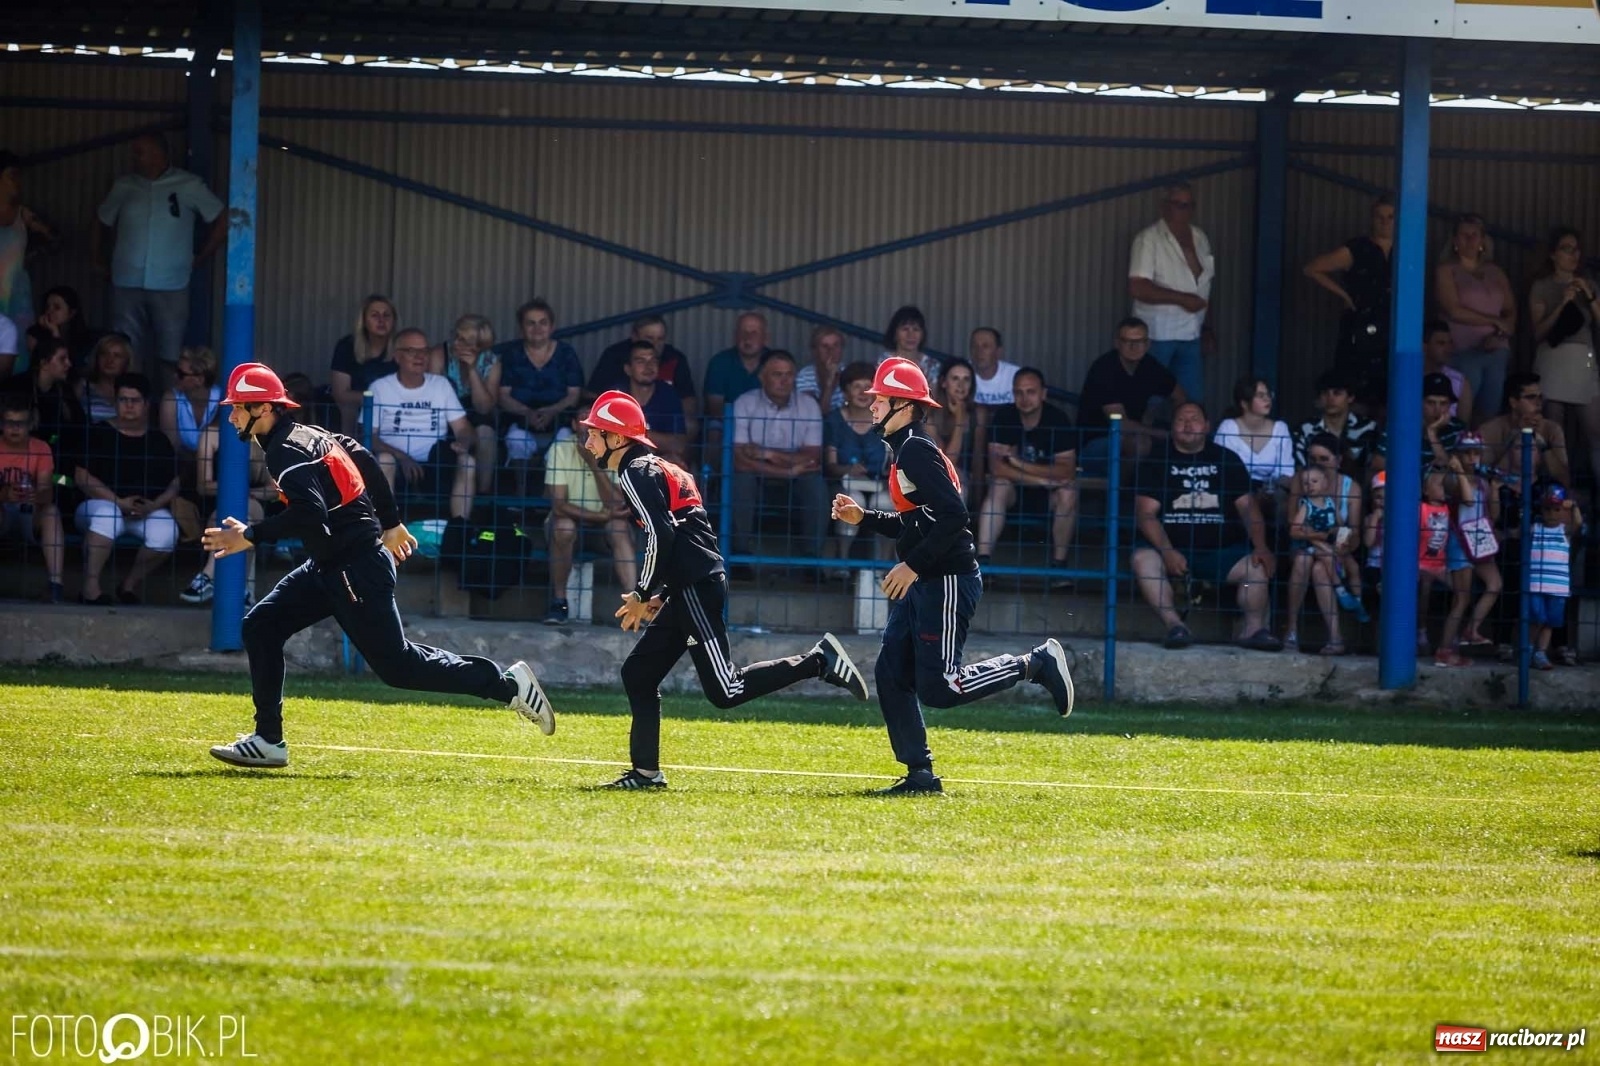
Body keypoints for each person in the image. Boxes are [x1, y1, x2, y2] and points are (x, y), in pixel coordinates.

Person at [201, 362, 556, 769]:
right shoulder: (308, 434)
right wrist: (391, 522)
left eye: (238, 407)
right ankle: (268, 740)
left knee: (399, 667)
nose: (231, 415)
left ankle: (508, 685)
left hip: (354, 570)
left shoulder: (284, 451)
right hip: (330, 565)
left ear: (264, 409)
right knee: (260, 626)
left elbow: (309, 515)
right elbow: (362, 456)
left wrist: (249, 536)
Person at [579, 389, 869, 790]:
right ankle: (645, 773)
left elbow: (662, 536)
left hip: (697, 586)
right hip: (690, 585)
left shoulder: (635, 472)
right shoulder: (653, 467)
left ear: (618, 438)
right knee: (639, 673)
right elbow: (685, 535)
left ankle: (819, 661)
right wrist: (665, 592)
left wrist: (644, 592)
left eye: (596, 431)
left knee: (726, 690)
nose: (588, 440)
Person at [830, 358, 1073, 793]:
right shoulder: (904, 449)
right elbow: (918, 523)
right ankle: (919, 774)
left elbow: (955, 516)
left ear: (903, 406)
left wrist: (912, 565)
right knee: (890, 672)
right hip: (927, 580)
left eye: (879, 399)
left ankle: (1034, 664)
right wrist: (863, 516)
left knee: (942, 688)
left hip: (946, 581)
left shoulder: (915, 450)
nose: (870, 406)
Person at [1130, 401, 1280, 651]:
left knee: (1256, 567)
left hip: (1220, 551)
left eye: (1195, 419)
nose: (1188, 425)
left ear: (1207, 426)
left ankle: (1253, 629)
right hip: (1170, 550)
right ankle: (1175, 626)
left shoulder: (1225, 458)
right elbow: (1145, 514)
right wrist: (1167, 552)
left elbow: (1248, 507)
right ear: (1172, 427)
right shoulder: (1157, 459)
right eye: (1181, 420)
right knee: (1142, 560)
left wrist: (1261, 546)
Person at [91, 134, 225, 382]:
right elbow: (101, 219)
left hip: (171, 283)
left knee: (171, 355)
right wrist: (97, 259)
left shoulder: (189, 184)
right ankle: (128, 407)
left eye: (139, 152)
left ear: (158, 155)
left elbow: (221, 218)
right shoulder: (124, 185)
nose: (134, 158)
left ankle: (167, 412)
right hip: (126, 281)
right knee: (125, 352)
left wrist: (201, 257)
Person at [73, 373, 180, 605]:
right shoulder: (99, 432)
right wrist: (118, 502)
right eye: (123, 400)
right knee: (107, 516)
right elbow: (81, 477)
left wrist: (154, 505)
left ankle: (128, 585)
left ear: (146, 404)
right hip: (99, 505)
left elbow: (174, 483)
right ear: (115, 402)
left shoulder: (158, 440)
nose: (129, 405)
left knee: (167, 533)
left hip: (145, 509)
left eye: (135, 400)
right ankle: (90, 589)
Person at [974, 368, 1079, 584]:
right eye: (1019, 392)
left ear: (1043, 394)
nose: (1025, 398)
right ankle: (982, 563)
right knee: (999, 485)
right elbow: (996, 468)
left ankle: (1059, 568)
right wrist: (1040, 479)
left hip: (1048, 495)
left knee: (1068, 493)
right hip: (1016, 491)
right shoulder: (1005, 416)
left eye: (1031, 392)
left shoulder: (1057, 418)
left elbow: (1066, 471)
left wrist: (1017, 462)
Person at [541, 401, 638, 625]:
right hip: (569, 524)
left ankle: (635, 604)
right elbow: (559, 506)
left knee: (619, 527)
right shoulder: (560, 449)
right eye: (582, 422)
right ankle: (559, 603)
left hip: (605, 527)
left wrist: (595, 464)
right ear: (574, 425)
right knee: (564, 526)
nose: (587, 427)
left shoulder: (615, 450)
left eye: (593, 422)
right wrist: (602, 516)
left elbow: (619, 504)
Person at [367, 328, 476, 522]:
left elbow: (463, 427)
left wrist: (463, 442)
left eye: (424, 351)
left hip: (436, 466)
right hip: (398, 466)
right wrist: (402, 457)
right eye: (411, 351)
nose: (420, 356)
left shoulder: (441, 385)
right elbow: (369, 437)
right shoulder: (380, 387)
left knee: (468, 462)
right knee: (384, 459)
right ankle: (384, 532)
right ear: (397, 356)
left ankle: (460, 533)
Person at [730, 350, 828, 565]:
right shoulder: (744, 403)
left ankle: (812, 562)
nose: (784, 381)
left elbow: (812, 459)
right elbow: (739, 460)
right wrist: (789, 467)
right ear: (762, 377)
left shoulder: (809, 405)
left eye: (789, 374)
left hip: (796, 476)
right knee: (740, 480)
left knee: (816, 486)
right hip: (757, 475)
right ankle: (740, 558)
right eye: (776, 374)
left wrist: (769, 454)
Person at [1128, 182, 1214, 406]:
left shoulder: (1200, 237)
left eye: (1189, 205)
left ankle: (1189, 442)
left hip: (1192, 333)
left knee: (1192, 402)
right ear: (1164, 207)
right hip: (1158, 334)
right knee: (1150, 401)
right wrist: (1182, 299)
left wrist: (1206, 327)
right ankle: (1147, 441)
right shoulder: (1148, 239)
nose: (1184, 210)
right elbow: (1138, 287)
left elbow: (1204, 287)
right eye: (1179, 205)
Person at [1302, 194, 1394, 403]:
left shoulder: (1406, 250)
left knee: (1388, 390)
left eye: (1390, 217)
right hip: (1360, 325)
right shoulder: (1357, 248)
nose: (1385, 222)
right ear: (1372, 219)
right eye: (1380, 216)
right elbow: (1312, 268)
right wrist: (1344, 294)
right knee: (1355, 387)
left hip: (1393, 326)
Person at [1527, 227, 1600, 486]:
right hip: (1554, 358)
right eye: (1566, 249)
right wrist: (1562, 304)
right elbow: (1539, 332)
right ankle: (1555, 492)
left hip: (1585, 358)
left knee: (1595, 430)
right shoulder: (1542, 286)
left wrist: (1588, 296)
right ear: (1553, 254)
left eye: (1576, 249)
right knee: (1552, 429)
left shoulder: (1589, 284)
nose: (1573, 255)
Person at [179, 418, 277, 607]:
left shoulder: (264, 437)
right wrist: (235, 491)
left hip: (255, 502)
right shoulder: (211, 435)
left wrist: (243, 492)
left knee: (244, 510)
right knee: (238, 517)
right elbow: (203, 486)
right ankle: (244, 590)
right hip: (215, 505)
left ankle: (208, 576)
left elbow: (274, 489)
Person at [1075, 316, 1183, 477]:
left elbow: (1180, 397)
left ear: (1148, 344)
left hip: (1133, 439)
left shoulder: (1150, 365)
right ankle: (1121, 497)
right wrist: (1163, 434)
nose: (1133, 346)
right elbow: (1121, 424)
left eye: (1139, 341)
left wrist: (1178, 426)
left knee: (1183, 442)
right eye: (1127, 341)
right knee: (1141, 444)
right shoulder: (1104, 369)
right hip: (1094, 444)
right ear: (1117, 343)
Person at [1435, 214, 1514, 427]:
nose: (1470, 240)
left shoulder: (1496, 272)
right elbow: (1453, 309)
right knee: (1461, 411)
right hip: (1462, 350)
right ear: (1454, 240)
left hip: (1496, 350)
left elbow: (1510, 311)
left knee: (1490, 413)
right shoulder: (1446, 270)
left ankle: (1480, 456)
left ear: (1483, 241)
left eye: (1474, 235)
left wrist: (1500, 332)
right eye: (1464, 235)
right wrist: (1494, 321)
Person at [496, 298, 582, 468]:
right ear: (521, 329)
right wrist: (527, 413)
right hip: (520, 421)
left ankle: (551, 492)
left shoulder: (566, 354)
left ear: (552, 327)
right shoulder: (512, 355)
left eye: (543, 323)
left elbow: (574, 394)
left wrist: (551, 411)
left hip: (560, 421)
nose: (537, 329)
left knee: (564, 443)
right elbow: (503, 396)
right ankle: (521, 491)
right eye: (531, 323)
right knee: (516, 441)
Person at [823, 361, 890, 571]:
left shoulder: (888, 420)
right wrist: (848, 470)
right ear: (845, 393)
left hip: (882, 485)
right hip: (845, 485)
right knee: (853, 502)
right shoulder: (835, 420)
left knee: (886, 503)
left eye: (868, 386)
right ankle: (843, 561)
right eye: (856, 386)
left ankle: (883, 564)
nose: (863, 392)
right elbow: (831, 466)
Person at [0, 393, 66, 602]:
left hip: (31, 512)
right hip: (1, 512)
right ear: (1, 424)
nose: (15, 429)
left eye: (20, 424)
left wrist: (35, 495)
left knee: (52, 512)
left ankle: (55, 585)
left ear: (30, 425)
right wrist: (4, 493)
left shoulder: (41, 448)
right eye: (9, 423)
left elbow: (48, 490)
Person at [587, 314, 698, 436]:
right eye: (649, 338)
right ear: (634, 337)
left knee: (689, 425)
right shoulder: (614, 355)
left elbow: (688, 399)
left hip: (663, 419)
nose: (656, 344)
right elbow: (592, 393)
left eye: (660, 339)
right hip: (621, 420)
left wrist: (677, 419)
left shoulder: (675, 358)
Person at [428, 313, 502, 497]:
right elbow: (432, 395)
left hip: (476, 413)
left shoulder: (491, 362)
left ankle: (484, 493)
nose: (456, 344)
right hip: (444, 412)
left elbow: (484, 407)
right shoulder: (439, 355)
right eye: (456, 337)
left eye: (465, 341)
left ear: (479, 346)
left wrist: (471, 369)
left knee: (486, 431)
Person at [1443, 433, 1502, 658]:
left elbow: (1494, 514)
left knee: (1494, 584)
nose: (1471, 457)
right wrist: (1458, 471)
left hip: (1480, 537)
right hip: (1460, 540)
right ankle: (1445, 649)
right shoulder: (1451, 478)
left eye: (1476, 453)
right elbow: (1466, 499)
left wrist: (1494, 488)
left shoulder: (1482, 481)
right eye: (1466, 453)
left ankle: (1471, 629)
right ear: (1457, 455)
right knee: (1462, 599)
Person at [1282, 465, 1346, 656]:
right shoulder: (1305, 504)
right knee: (1304, 560)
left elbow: (1341, 527)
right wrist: (1318, 535)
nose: (1310, 486)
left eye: (1314, 482)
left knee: (1321, 567)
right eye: (1305, 483)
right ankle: (1292, 629)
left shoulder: (1330, 503)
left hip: (1327, 549)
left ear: (1326, 483)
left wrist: (1338, 541)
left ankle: (1335, 637)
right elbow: (1294, 530)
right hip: (1307, 546)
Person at [1478, 373, 1570, 502]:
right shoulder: (1489, 429)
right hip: (1500, 498)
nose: (1538, 403)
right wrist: (1517, 435)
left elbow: (1563, 478)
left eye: (1540, 397)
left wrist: (1542, 444)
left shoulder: (1552, 429)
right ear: (1513, 402)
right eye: (1531, 397)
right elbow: (1483, 474)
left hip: (1542, 498)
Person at [0, 150, 58, 345]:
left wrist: (26, 259)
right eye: (11, 176)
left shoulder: (23, 215)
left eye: (19, 176)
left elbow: (55, 240)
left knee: (18, 345)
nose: (17, 182)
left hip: (16, 294)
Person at [1370, 373, 1466, 480]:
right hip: (1406, 486)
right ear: (1419, 402)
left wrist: (1432, 433)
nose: (1437, 410)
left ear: (1449, 405)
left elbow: (1451, 471)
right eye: (1431, 402)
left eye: (1443, 403)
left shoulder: (1457, 429)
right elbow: (1378, 464)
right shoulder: (1400, 426)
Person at [1527, 482, 1581, 671]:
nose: (1551, 513)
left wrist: (1573, 506)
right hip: (1535, 584)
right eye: (1548, 509)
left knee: (1550, 621)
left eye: (1556, 509)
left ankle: (1540, 652)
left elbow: (1578, 523)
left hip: (1558, 587)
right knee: (1536, 618)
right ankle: (1528, 648)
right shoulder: (1535, 529)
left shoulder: (1564, 532)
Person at [329, 294, 398, 434]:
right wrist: (378, 399)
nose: (381, 320)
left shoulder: (402, 346)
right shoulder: (347, 347)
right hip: (357, 410)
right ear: (364, 320)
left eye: (386, 315)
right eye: (374, 315)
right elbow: (340, 393)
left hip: (394, 412)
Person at [1291, 367, 1377, 476]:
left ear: (1350, 397)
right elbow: (1299, 469)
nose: (1330, 399)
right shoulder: (1304, 429)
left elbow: (1372, 470)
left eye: (1337, 393)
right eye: (1325, 393)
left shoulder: (1368, 428)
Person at [621, 339, 689, 468]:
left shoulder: (669, 395)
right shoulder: (617, 396)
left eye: (654, 361)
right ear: (628, 369)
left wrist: (634, 432)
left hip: (657, 465)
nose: (649, 366)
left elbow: (679, 445)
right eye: (640, 361)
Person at [925, 357, 984, 503]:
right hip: (931, 475)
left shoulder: (978, 413)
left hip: (964, 478)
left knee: (957, 484)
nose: (961, 385)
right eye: (955, 379)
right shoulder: (930, 413)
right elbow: (947, 462)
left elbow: (978, 458)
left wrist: (978, 499)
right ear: (944, 383)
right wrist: (959, 419)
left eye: (966, 379)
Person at [157, 345, 221, 480]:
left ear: (199, 379)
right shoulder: (171, 399)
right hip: (181, 472)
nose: (175, 376)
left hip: (215, 472)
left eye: (181, 374)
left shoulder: (222, 399)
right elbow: (170, 447)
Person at [703, 311, 771, 431]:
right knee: (714, 428)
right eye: (742, 332)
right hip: (727, 421)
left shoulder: (775, 363)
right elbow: (715, 408)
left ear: (766, 338)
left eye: (754, 333)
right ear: (735, 336)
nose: (747, 338)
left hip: (768, 422)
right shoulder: (720, 362)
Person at [1422, 318, 1473, 425]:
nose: (1448, 349)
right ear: (1424, 347)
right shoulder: (1408, 378)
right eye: (1441, 343)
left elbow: (1462, 426)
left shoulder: (1460, 382)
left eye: (1449, 343)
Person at [80, 333, 133, 425]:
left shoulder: (133, 393)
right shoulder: (82, 387)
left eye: (117, 356)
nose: (110, 360)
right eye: (104, 354)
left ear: (126, 362)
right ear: (97, 358)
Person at [795, 324, 848, 414]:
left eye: (836, 345)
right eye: (824, 346)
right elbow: (816, 414)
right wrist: (829, 384)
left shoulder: (850, 373)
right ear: (815, 351)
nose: (831, 351)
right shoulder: (805, 375)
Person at [881, 305, 938, 385]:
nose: (911, 335)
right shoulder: (883, 363)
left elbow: (933, 396)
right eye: (905, 329)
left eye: (916, 329)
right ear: (894, 333)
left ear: (922, 334)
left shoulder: (931, 365)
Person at [967, 326, 1020, 409]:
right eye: (974, 346)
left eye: (985, 346)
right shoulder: (959, 373)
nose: (979, 352)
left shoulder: (1016, 375)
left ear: (998, 351)